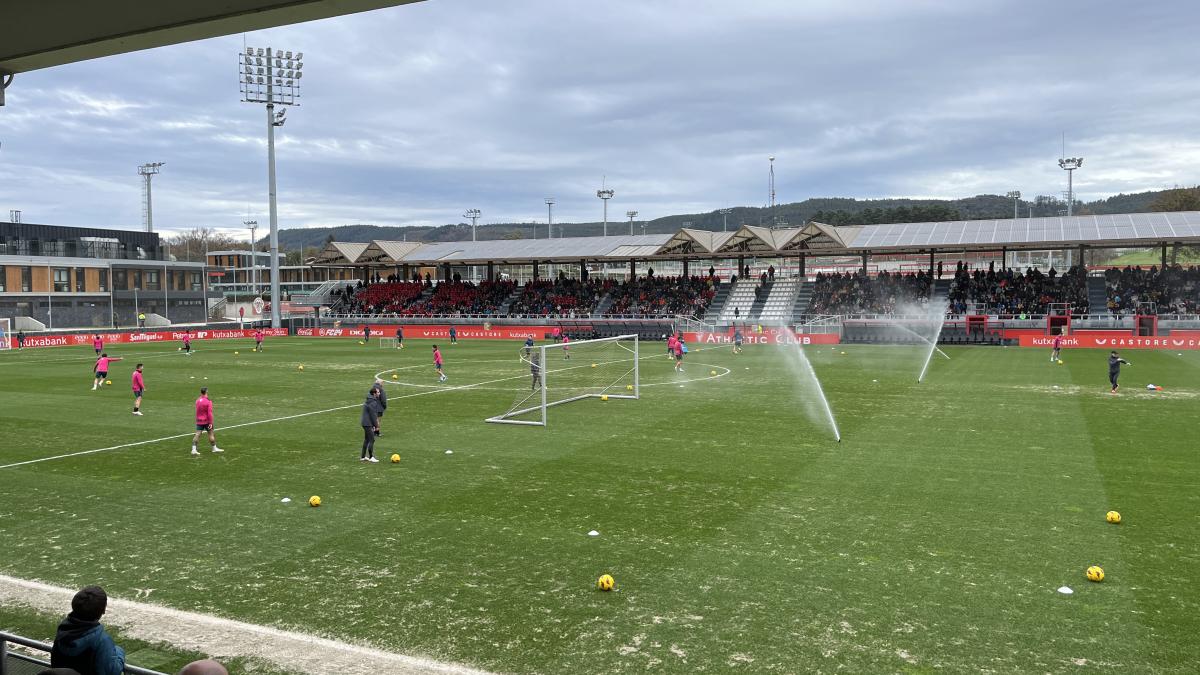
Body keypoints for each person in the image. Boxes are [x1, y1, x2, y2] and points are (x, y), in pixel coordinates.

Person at [50, 585, 125, 675]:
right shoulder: (101, 640)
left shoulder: (62, 629)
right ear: (103, 610)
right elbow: (113, 671)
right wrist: (119, 651)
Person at [192, 388, 224, 456]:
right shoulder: (208, 401)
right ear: (206, 392)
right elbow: (209, 413)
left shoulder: (197, 400)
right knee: (211, 434)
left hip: (199, 420)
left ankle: (193, 449)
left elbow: (197, 410)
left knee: (197, 434)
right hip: (206, 421)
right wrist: (210, 422)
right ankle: (214, 448)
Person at [360, 387, 382, 462]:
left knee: (367, 439)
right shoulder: (373, 402)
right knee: (372, 439)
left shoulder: (369, 400)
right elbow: (373, 415)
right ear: (374, 393)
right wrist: (376, 426)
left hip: (365, 422)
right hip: (367, 423)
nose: (379, 393)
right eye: (378, 392)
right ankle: (371, 457)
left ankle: (363, 457)